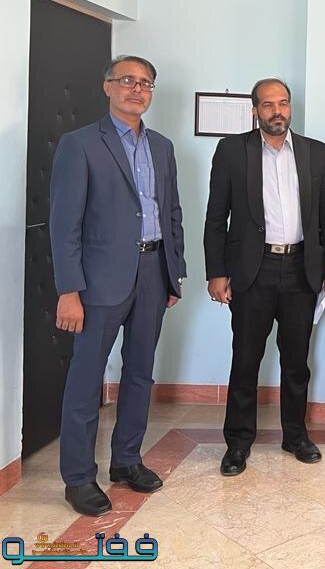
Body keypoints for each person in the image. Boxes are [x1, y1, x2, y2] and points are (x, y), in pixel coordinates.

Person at [50, 55, 185, 516]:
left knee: (140, 373)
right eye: (127, 80)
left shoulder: (162, 147)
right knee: (87, 380)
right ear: (108, 86)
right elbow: (64, 225)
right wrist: (69, 289)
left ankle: (127, 460)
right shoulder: (80, 144)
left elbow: (171, 212)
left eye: (145, 83)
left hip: (153, 273)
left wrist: (173, 273)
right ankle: (78, 477)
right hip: (98, 282)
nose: (137, 89)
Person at [204, 78, 325, 476]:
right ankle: (237, 444)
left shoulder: (317, 153)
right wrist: (216, 272)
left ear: (290, 107)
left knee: (297, 361)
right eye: (268, 104)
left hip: (301, 270)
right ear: (255, 110)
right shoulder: (232, 151)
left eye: (283, 103)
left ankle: (295, 435)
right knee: (246, 360)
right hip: (253, 270)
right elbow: (216, 216)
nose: (277, 111)